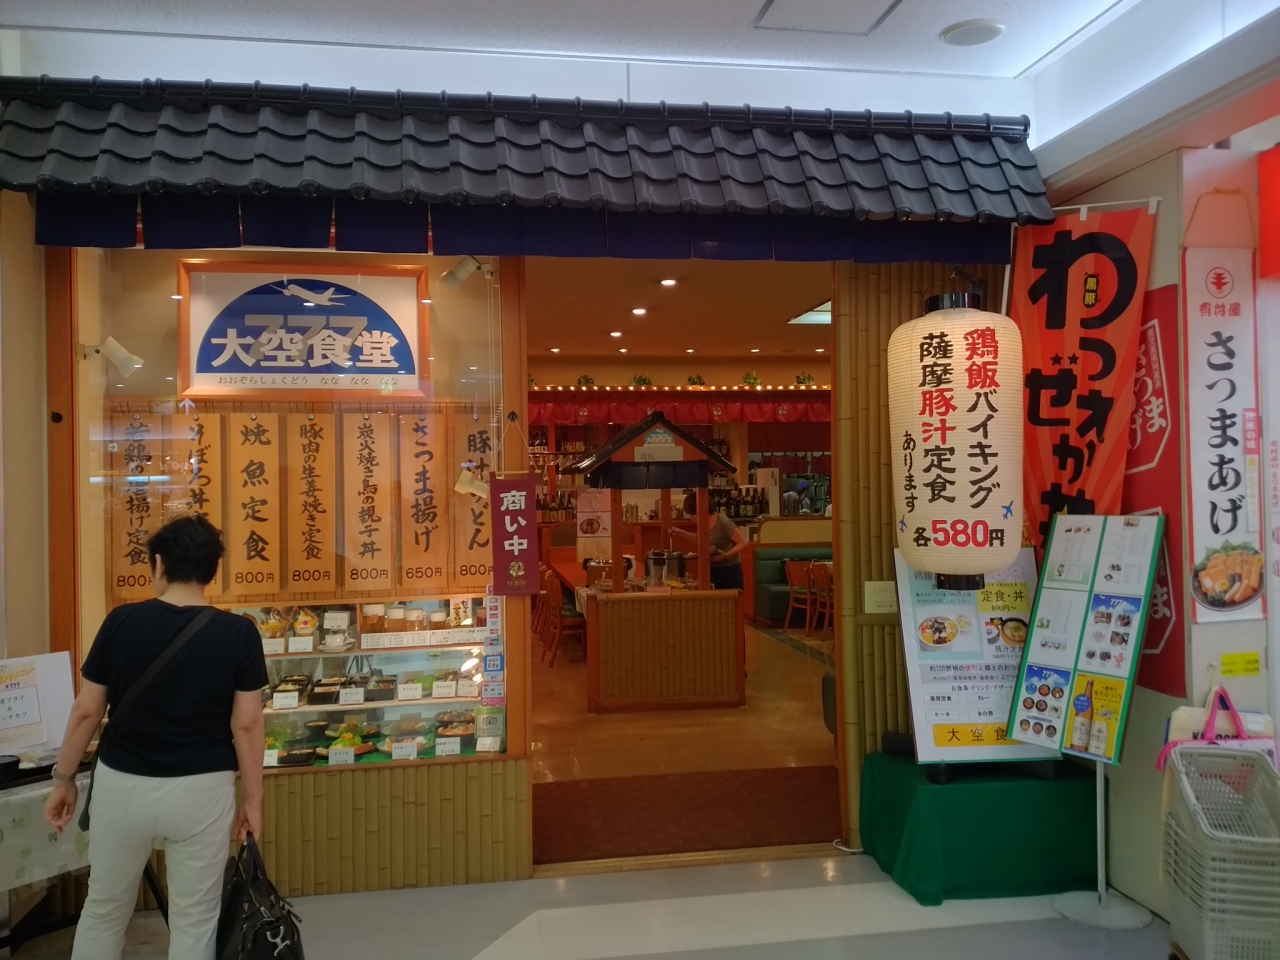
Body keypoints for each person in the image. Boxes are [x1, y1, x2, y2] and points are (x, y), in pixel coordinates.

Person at [44, 515, 268, 960]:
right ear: (213, 570)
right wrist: (254, 800)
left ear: (160, 564)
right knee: (194, 920)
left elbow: (87, 710)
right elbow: (246, 724)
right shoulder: (239, 633)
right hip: (202, 789)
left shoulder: (121, 622)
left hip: (122, 784)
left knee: (105, 908)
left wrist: (63, 779)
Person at [673, 492, 747, 590]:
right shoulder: (703, 524)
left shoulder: (723, 522)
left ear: (701, 510)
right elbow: (701, 539)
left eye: (692, 514)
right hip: (712, 570)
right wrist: (680, 533)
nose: (691, 518)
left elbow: (742, 543)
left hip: (729, 571)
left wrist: (726, 555)